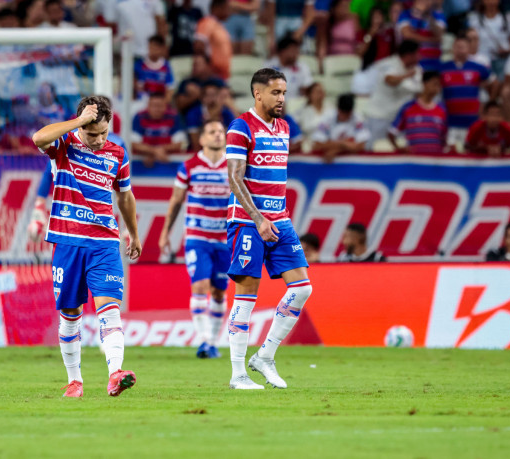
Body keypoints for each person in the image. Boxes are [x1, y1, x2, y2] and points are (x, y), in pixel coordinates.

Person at [31, 96, 142, 398]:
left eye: (104, 133)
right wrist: (79, 123)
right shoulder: (63, 144)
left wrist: (133, 232)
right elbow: (38, 137)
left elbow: (125, 196)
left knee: (109, 309)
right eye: (93, 134)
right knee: (70, 313)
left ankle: (115, 373)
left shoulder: (118, 153)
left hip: (104, 242)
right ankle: (74, 381)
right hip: (67, 241)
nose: (99, 140)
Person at [225, 68, 313, 390]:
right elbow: (235, 178)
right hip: (248, 222)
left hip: (281, 220)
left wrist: (273, 218)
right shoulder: (240, 127)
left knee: (302, 289)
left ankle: (264, 356)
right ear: (258, 94)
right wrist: (258, 218)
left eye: (284, 93)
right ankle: (238, 375)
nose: (282, 99)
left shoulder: (284, 128)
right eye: (276, 93)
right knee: (246, 297)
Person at [159, 120, 230, 359]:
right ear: (201, 139)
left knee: (219, 292)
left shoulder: (234, 166)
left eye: (221, 131)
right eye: (212, 132)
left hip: (225, 238)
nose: (218, 135)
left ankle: (213, 341)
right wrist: (165, 231)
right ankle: (204, 341)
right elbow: (176, 200)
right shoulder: (189, 166)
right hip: (197, 237)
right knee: (200, 286)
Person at [439, 34, 497, 150]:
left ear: (469, 49)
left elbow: (494, 82)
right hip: (450, 124)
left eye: (463, 47)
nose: (460, 49)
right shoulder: (442, 68)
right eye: (458, 46)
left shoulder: (478, 68)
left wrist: (489, 102)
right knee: (451, 155)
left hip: (472, 122)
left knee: (471, 154)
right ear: (453, 48)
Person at [364, 40, 423, 148]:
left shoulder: (417, 70)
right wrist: (406, 76)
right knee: (374, 149)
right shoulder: (389, 64)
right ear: (409, 55)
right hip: (380, 117)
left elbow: (419, 92)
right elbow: (389, 80)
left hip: (400, 120)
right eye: (418, 54)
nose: (420, 57)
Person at [389, 70, 447, 154]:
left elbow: (443, 137)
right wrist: (400, 149)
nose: (438, 88)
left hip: (435, 160)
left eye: (439, 85)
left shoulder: (442, 109)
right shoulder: (408, 107)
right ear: (424, 83)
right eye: (435, 84)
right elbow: (392, 132)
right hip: (414, 161)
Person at [310, 94, 371, 162]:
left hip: (351, 162)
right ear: (338, 109)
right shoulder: (327, 118)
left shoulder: (358, 118)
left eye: (347, 114)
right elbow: (316, 145)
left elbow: (361, 146)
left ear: (351, 111)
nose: (344, 116)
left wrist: (336, 150)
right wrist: (344, 144)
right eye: (342, 112)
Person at [131, 93, 187, 166]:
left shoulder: (174, 117)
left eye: (160, 106)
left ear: (166, 106)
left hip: (170, 164)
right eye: (154, 106)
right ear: (148, 106)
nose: (157, 109)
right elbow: (134, 144)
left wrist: (156, 151)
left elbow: (180, 144)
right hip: (142, 166)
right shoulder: (139, 117)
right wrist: (155, 151)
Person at [467, 0, 510, 77]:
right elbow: (470, 40)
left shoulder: (507, 18)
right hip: (482, 59)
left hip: (503, 59)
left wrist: (508, 50)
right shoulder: (474, 19)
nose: (491, 2)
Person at [396, 0, 446, 71]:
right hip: (412, 62)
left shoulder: (438, 15)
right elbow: (407, 35)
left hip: (433, 61)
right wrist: (417, 15)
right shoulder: (405, 14)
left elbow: (439, 34)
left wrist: (429, 18)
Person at [185, 81, 235, 150]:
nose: (212, 99)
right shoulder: (194, 114)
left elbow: (234, 139)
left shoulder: (226, 112)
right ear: (202, 98)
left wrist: (231, 106)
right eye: (208, 95)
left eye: (215, 95)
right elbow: (195, 143)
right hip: (200, 152)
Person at [265, 36, 314, 102]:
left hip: (296, 106)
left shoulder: (302, 67)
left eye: (297, 51)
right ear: (283, 51)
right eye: (293, 50)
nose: (296, 54)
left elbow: (308, 89)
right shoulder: (269, 66)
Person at [195, 0, 233, 80]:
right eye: (227, 8)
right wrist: (208, 68)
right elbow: (198, 46)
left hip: (222, 74)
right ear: (217, 8)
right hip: (211, 74)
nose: (229, 11)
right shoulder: (207, 22)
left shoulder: (219, 25)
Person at [134, 35, 176, 101]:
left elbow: (170, 89)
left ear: (162, 49)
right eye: (151, 47)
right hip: (142, 101)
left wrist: (164, 103)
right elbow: (136, 87)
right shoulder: (139, 64)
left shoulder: (166, 66)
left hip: (160, 102)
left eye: (156, 48)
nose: (153, 50)